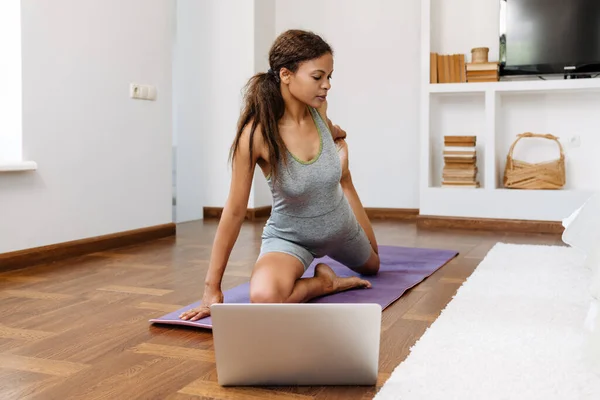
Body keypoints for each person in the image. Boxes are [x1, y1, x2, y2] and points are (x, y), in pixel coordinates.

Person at [180, 29, 380, 322]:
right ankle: (325, 283)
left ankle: (345, 186)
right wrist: (212, 288)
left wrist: (343, 171)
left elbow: (332, 131)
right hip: (291, 237)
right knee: (264, 297)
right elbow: (235, 212)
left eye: (329, 77)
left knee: (374, 266)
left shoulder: (319, 109)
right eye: (317, 77)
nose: (326, 86)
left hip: (339, 226)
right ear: (286, 74)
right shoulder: (257, 136)